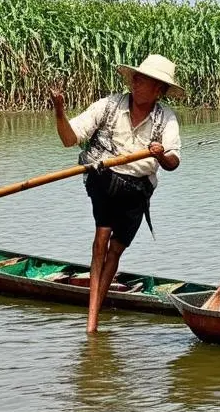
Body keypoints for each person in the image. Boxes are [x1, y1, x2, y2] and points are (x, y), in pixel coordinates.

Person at [52, 54, 183, 334]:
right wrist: (59, 111)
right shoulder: (109, 106)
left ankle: (95, 313)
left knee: (116, 249)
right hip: (104, 178)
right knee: (101, 239)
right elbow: (68, 138)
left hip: (138, 190)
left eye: (142, 80)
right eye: (134, 78)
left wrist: (160, 155)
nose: (135, 82)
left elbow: (173, 162)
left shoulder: (166, 119)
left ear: (158, 89)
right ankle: (92, 324)